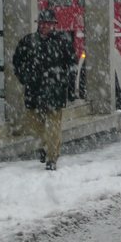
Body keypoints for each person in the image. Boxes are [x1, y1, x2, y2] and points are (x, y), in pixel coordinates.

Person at [12, 9, 76, 171]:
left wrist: (69, 85)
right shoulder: (28, 41)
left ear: (54, 25)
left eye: (48, 23)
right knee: (34, 123)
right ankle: (45, 146)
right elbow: (17, 61)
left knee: (54, 125)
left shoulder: (62, 42)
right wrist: (24, 77)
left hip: (55, 89)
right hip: (34, 90)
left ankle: (52, 157)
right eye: (43, 23)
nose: (45, 26)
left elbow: (71, 65)